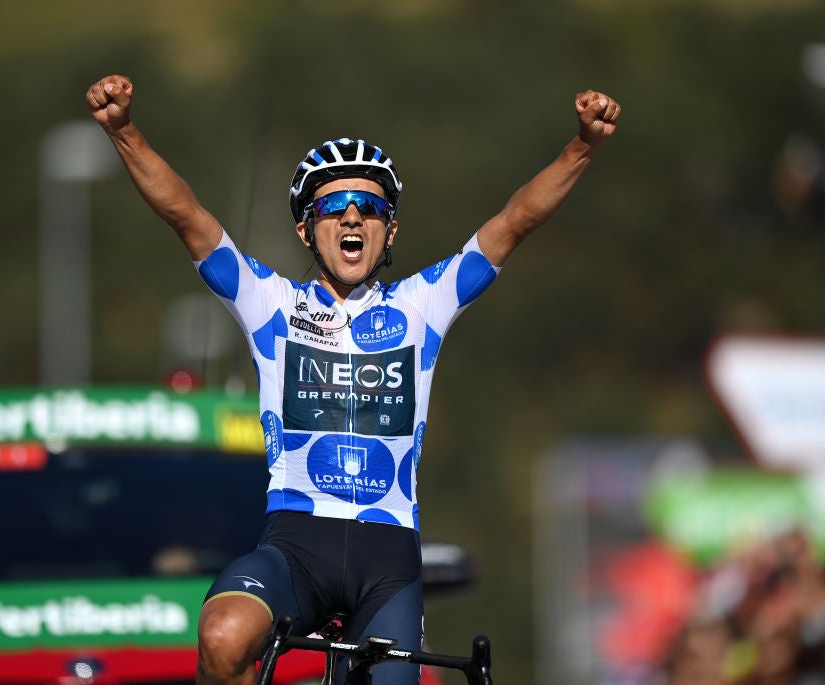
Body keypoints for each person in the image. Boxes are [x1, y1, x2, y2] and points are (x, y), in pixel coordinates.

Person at [86, 73, 621, 685]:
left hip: (386, 560)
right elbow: (187, 215)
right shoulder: (271, 304)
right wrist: (123, 131)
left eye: (370, 207)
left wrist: (582, 146)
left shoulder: (424, 306)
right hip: (294, 545)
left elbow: (514, 222)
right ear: (305, 228)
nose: (352, 217)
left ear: (389, 230)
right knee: (223, 636)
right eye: (333, 207)